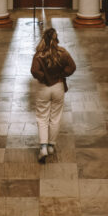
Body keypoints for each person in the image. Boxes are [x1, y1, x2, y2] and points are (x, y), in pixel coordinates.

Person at [30, 26, 76, 162]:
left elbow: (34, 70)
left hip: (43, 88)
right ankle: (51, 145)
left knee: (42, 117)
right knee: (55, 117)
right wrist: (61, 74)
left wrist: (43, 77)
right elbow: (72, 67)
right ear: (56, 39)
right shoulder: (63, 53)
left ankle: (43, 147)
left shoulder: (39, 55)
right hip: (58, 87)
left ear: (44, 39)